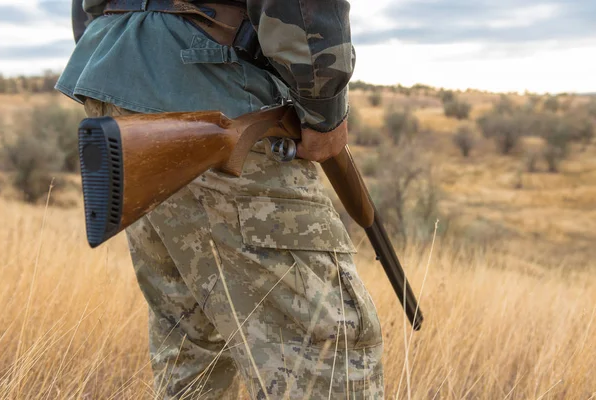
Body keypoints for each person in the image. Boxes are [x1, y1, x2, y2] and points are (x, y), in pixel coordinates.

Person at [57, 0, 384, 398]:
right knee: (329, 353)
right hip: (219, 84)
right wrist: (324, 106)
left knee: (194, 347)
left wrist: (132, 59)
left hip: (118, 76)